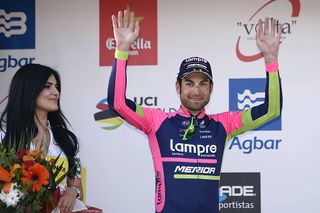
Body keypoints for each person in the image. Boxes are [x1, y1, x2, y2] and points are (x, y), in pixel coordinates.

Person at [107, 10, 282, 213]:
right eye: (189, 83)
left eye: (203, 83)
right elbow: (117, 103)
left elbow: (271, 110)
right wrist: (122, 50)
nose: (197, 90)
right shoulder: (157, 121)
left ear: (211, 88)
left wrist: (271, 60)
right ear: (178, 87)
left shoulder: (223, 125)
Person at [0, 64, 83, 213]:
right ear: (28, 89)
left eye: (56, 87)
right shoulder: (4, 137)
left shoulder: (66, 139)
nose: (56, 92)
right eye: (47, 86)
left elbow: (77, 186)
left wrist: (72, 192)